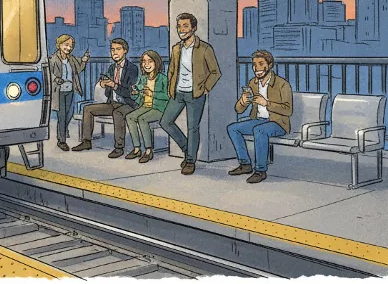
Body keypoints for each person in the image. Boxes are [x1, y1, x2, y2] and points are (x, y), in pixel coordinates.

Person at [158, 13, 221, 175]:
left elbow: (215, 72)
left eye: (185, 26)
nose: (181, 29)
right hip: (178, 93)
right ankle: (187, 149)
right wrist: (170, 88)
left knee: (193, 128)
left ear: (193, 28)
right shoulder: (176, 48)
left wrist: (205, 88)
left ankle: (190, 161)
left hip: (195, 94)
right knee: (165, 122)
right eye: (179, 26)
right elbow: (172, 70)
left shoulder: (205, 48)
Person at [227, 50, 293, 184]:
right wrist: (243, 101)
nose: (256, 68)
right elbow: (238, 110)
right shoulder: (253, 83)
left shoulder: (282, 84)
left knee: (259, 130)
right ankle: (245, 164)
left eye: (261, 64)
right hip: (258, 120)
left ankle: (260, 170)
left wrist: (267, 103)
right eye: (254, 64)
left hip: (277, 123)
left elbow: (288, 110)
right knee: (233, 128)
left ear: (269, 65)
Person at [73, 38, 138, 154]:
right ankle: (86, 141)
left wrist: (114, 85)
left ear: (125, 51)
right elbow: (108, 91)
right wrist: (104, 84)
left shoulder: (132, 69)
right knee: (87, 109)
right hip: (112, 103)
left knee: (117, 113)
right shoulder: (112, 68)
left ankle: (119, 148)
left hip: (127, 104)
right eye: (112, 50)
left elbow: (130, 93)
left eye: (118, 49)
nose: (115, 53)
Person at [125, 50, 169, 163]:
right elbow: (139, 97)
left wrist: (152, 94)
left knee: (142, 119)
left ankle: (148, 150)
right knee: (130, 117)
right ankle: (136, 148)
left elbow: (168, 96)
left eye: (150, 61)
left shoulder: (162, 78)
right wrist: (135, 93)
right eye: (144, 62)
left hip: (159, 108)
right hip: (145, 106)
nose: (146, 64)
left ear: (157, 63)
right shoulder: (143, 79)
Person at [48, 35, 89, 151]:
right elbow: (48, 73)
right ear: (59, 45)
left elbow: (78, 69)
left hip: (70, 90)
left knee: (70, 114)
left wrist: (84, 61)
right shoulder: (53, 59)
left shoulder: (71, 59)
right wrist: (56, 79)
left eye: (71, 46)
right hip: (59, 91)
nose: (69, 48)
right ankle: (61, 141)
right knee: (62, 116)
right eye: (66, 45)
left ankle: (63, 131)